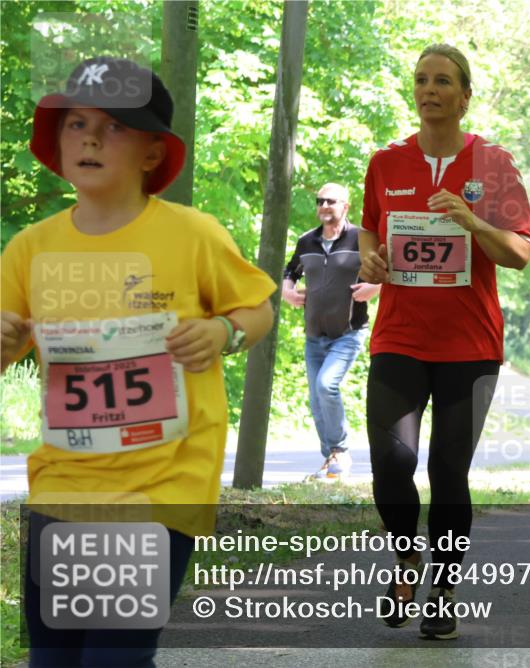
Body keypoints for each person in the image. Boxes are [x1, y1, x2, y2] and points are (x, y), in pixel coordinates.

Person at [0, 57, 275, 666]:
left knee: (113, 658)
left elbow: (258, 310)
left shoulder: (193, 235)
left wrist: (223, 330)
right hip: (63, 486)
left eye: (115, 127)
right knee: (54, 660)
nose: (92, 138)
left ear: (153, 153)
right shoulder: (30, 249)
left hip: (162, 482)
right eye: (76, 123)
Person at [358, 44, 530, 639]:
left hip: (470, 345)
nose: (429, 90)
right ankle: (407, 558)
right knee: (391, 463)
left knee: (447, 469)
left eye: (442, 82)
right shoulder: (386, 162)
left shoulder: (494, 163)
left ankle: (443, 587)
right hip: (399, 337)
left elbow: (520, 255)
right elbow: (369, 227)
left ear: (465, 96)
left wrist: (473, 220)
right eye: (421, 80)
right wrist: (370, 258)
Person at [282, 182, 379, 480]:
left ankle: (341, 450)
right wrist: (287, 291)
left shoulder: (361, 238)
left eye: (331, 201)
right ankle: (331, 460)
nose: (324, 206)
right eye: (320, 201)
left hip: (348, 332)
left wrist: (374, 287)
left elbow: (386, 271)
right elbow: (290, 272)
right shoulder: (306, 241)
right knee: (316, 399)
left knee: (326, 385)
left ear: (345, 206)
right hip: (314, 335)